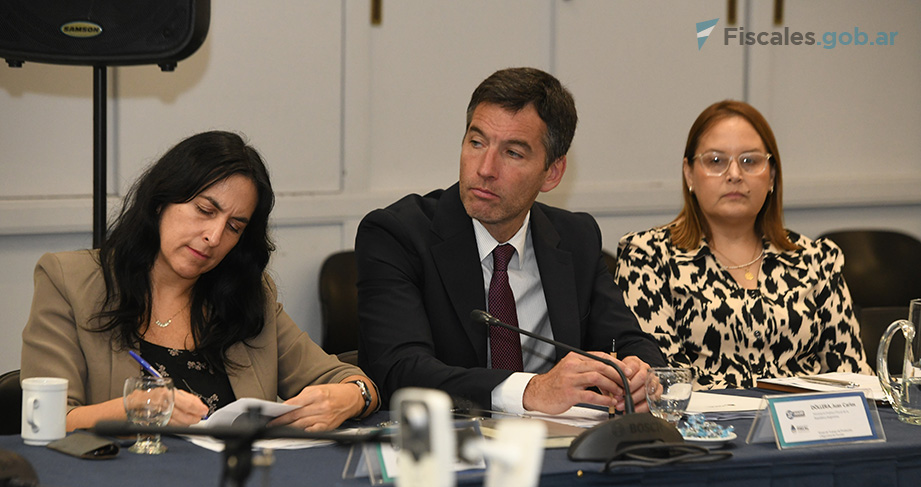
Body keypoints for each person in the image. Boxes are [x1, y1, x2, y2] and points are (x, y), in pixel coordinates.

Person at [355, 67, 665, 416]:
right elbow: (400, 371)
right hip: (447, 438)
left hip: (560, 439)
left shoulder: (575, 238)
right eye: (476, 143)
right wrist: (530, 390)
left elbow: (627, 340)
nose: (485, 168)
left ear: (552, 173)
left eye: (513, 153)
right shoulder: (396, 235)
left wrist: (640, 373)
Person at [21, 130, 379, 431]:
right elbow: (45, 420)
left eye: (234, 227)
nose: (214, 236)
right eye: (205, 211)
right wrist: (134, 409)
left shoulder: (246, 296)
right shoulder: (69, 280)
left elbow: (348, 379)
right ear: (160, 201)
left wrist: (355, 396)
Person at [614, 100, 872, 389]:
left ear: (771, 175)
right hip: (698, 417)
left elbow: (853, 377)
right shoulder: (648, 257)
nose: (735, 174)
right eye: (716, 161)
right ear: (689, 174)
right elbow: (662, 381)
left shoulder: (816, 260)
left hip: (803, 415)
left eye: (750, 161)